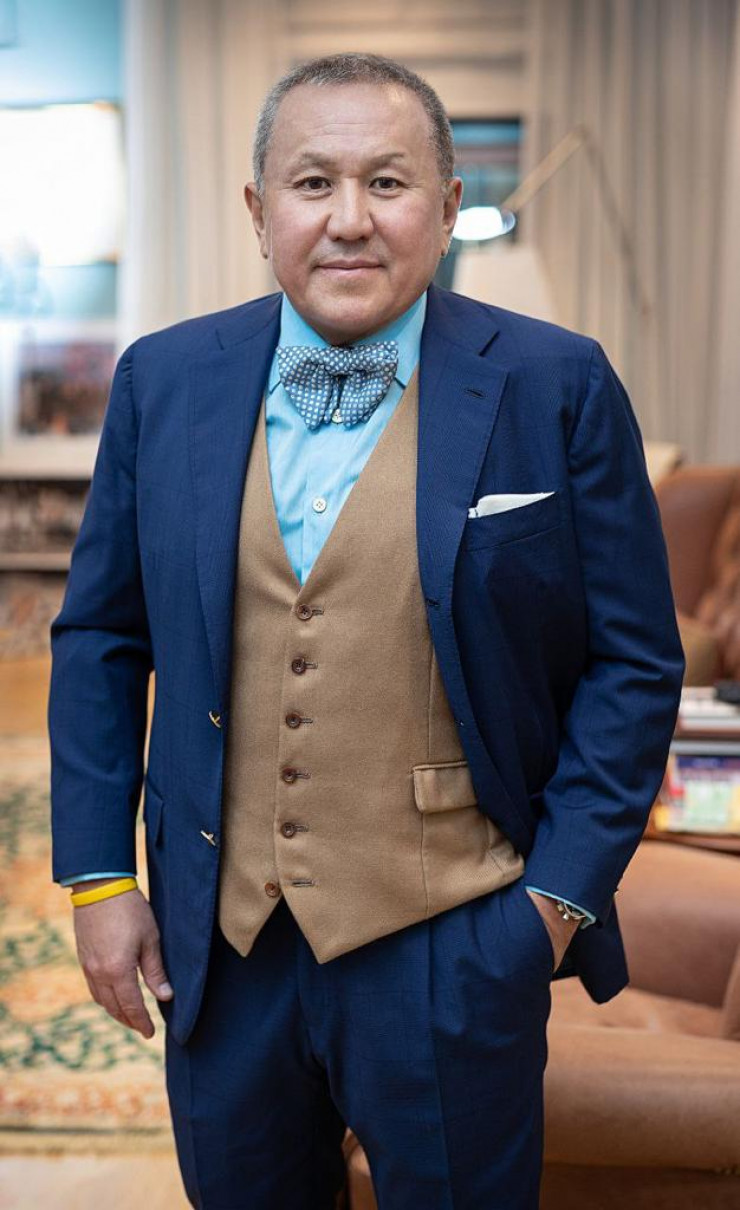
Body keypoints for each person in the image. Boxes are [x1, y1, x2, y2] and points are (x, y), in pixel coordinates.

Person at [48, 52, 685, 1210]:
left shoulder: (556, 383)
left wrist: (547, 910)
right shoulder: (163, 380)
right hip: (221, 948)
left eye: (386, 182)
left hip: (456, 943)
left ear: (445, 206)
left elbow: (633, 665)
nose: (348, 219)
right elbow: (99, 636)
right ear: (258, 211)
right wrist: (99, 879)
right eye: (312, 183)